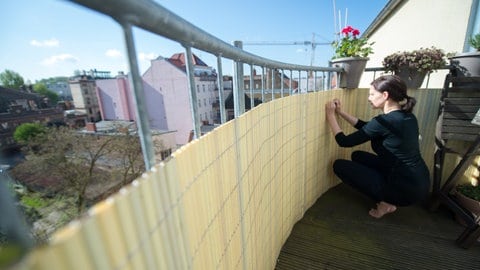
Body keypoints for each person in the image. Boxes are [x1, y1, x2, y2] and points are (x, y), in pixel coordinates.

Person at [325, 75, 430, 218]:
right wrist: (340, 112)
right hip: (419, 181)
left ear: (385, 95)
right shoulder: (407, 117)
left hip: (404, 190)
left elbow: (344, 142)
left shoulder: (384, 121)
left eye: (372, 94)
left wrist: (330, 115)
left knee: (339, 165)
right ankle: (386, 193)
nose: (369, 98)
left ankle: (386, 202)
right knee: (357, 156)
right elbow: (367, 128)